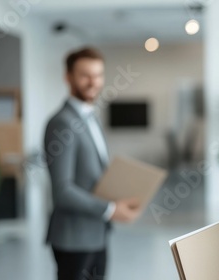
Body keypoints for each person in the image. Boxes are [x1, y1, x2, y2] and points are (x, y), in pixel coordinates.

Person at [44, 47, 140, 280]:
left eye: (98, 75)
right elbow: (62, 190)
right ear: (68, 77)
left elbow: (91, 176)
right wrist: (110, 210)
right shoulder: (62, 123)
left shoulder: (90, 118)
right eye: (85, 75)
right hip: (74, 238)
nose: (93, 82)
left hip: (97, 233)